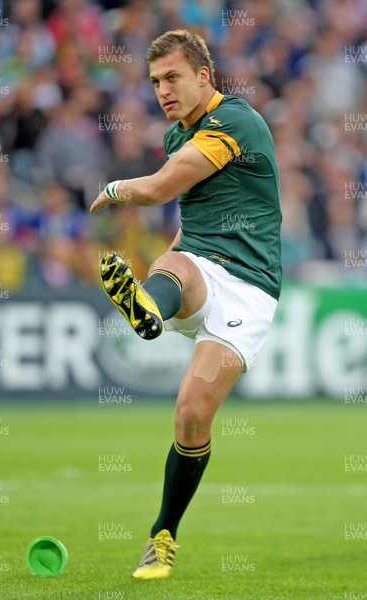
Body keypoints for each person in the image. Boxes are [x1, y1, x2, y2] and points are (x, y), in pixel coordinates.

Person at [90, 29, 282, 580]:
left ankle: (162, 534)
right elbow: (188, 229)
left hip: (249, 288)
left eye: (172, 77)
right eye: (155, 82)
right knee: (175, 262)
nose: (163, 91)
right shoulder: (180, 137)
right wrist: (161, 273)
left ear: (204, 76)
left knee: (192, 414)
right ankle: (147, 308)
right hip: (198, 265)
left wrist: (116, 188)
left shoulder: (235, 122)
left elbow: (155, 191)